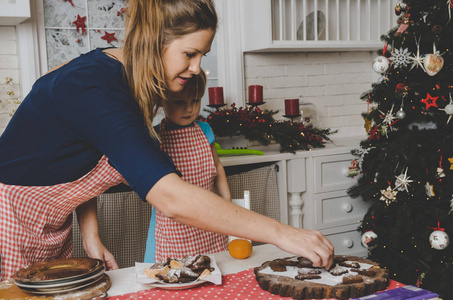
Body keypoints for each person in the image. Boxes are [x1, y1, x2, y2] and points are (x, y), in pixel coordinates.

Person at [0, 0, 334, 281]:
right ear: (152, 40)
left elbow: (80, 157)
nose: (196, 67)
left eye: (202, 55)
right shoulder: (95, 87)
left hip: (52, 224)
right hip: (9, 220)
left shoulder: (129, 84)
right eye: (190, 53)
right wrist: (282, 233)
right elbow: (172, 199)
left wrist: (90, 234)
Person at [144, 70, 230, 263]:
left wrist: (226, 199)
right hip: (175, 221)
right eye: (179, 102)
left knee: (211, 265)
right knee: (175, 270)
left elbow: (217, 166)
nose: (189, 109)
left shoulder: (205, 130)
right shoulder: (156, 136)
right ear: (162, 102)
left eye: (195, 101)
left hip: (209, 214)